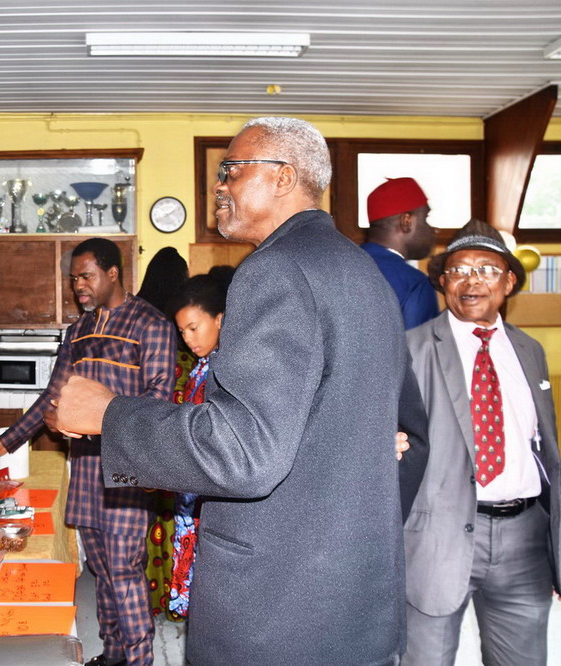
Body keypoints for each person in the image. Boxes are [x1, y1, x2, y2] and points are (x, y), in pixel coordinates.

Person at [56, 116, 430, 665]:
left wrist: (109, 415)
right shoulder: (363, 271)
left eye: (232, 170)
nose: (219, 185)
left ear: (284, 177)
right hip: (355, 598)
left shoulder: (274, 269)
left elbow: (243, 452)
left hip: (275, 615)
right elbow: (408, 437)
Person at [0, 237, 177, 666]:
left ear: (112, 273)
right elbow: (53, 396)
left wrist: (103, 419)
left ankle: (140, 660)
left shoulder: (151, 324)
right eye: (73, 279)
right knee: (102, 570)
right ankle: (113, 653)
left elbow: (159, 405)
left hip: (128, 470)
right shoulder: (78, 331)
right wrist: (5, 442)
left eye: (86, 276)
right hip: (85, 468)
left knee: (123, 569)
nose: (78, 286)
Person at [402, 219, 560, 665]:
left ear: (508, 282)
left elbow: (544, 447)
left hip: (525, 540)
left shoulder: (529, 351)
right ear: (442, 282)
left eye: (487, 270)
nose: (471, 281)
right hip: (437, 537)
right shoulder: (410, 349)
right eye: (458, 270)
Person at [164, 274, 229, 619]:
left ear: (219, 319)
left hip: (211, 496)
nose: (188, 339)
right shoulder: (200, 367)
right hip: (190, 493)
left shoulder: (228, 370)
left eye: (193, 328)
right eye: (182, 331)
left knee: (212, 586)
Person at [134, 246, 190, 621]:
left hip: (140, 429)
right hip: (177, 432)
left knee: (140, 516)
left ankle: (144, 598)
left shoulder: (138, 316)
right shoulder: (183, 320)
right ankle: (175, 596)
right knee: (172, 517)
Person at [362, 177, 439, 329]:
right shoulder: (414, 284)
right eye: (426, 219)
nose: (435, 230)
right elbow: (420, 343)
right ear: (406, 221)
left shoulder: (339, 268)